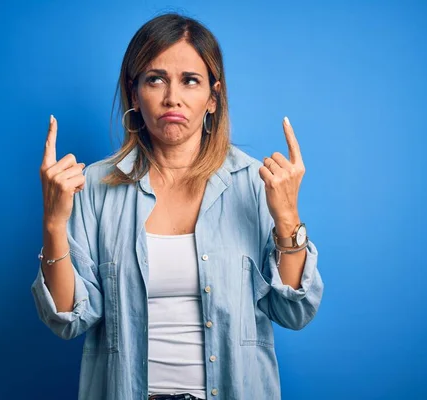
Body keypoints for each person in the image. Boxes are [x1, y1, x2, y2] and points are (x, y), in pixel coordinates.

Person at [32, 12, 324, 400]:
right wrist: (53, 224)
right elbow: (67, 318)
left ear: (213, 98)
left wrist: (287, 218)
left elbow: (294, 312)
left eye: (190, 80)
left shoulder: (258, 183)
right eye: (155, 79)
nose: (172, 97)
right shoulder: (95, 187)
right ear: (134, 93)